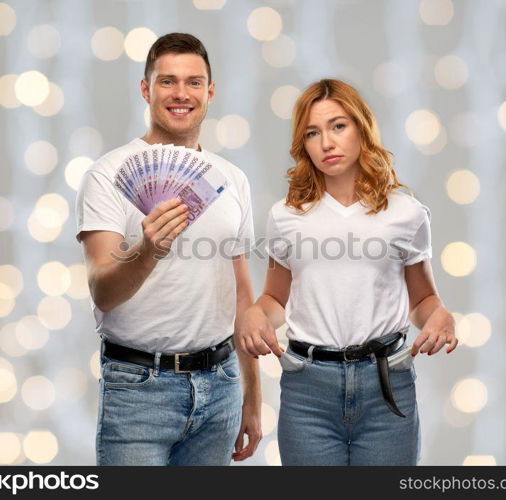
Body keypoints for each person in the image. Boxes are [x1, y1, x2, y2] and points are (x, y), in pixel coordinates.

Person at [237, 79, 457, 466]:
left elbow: (422, 299)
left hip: (387, 389)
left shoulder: (405, 212)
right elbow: (275, 298)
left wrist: (440, 316)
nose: (327, 142)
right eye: (312, 132)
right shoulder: (286, 217)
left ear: (361, 127)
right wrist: (257, 313)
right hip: (308, 392)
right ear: (302, 144)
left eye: (338, 126)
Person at [75, 33, 261, 465]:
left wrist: (252, 395)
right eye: (167, 82)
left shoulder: (231, 179)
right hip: (138, 389)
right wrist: (148, 250)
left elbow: (242, 296)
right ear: (146, 89)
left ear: (210, 92)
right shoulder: (107, 175)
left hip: (220, 387)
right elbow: (102, 290)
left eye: (194, 82)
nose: (181, 94)